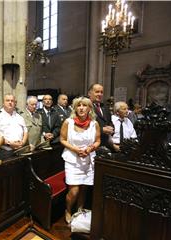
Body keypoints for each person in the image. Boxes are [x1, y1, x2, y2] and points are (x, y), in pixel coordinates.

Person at [60, 96, 101, 224]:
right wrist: (76, 149)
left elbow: (98, 141)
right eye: (79, 105)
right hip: (73, 159)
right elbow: (62, 139)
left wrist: (91, 148)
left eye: (84, 105)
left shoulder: (94, 124)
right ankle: (68, 210)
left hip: (88, 159)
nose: (81, 108)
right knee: (74, 190)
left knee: (84, 186)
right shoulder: (68, 122)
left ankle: (80, 208)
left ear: (89, 108)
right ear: (75, 108)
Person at [0, 94, 28, 159]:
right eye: (7, 100)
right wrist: (9, 143)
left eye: (12, 101)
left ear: (15, 103)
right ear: (3, 103)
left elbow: (25, 131)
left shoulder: (19, 117)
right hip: (5, 151)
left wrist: (22, 143)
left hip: (20, 150)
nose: (10, 102)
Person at [88, 83, 114, 151]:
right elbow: (84, 127)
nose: (100, 94)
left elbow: (110, 122)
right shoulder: (86, 107)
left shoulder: (105, 107)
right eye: (97, 92)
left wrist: (111, 128)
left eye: (101, 92)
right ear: (89, 93)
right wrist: (102, 130)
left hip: (105, 144)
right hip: (91, 145)